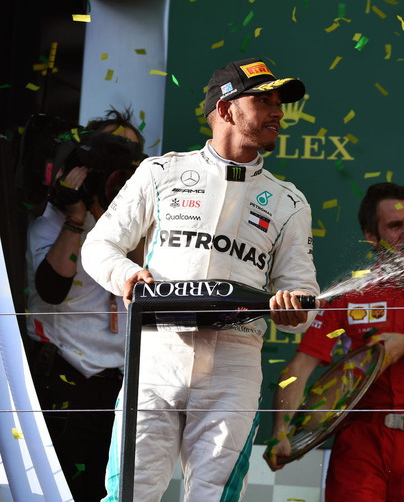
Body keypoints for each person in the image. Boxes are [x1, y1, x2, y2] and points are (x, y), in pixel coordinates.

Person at [81, 58, 320, 502]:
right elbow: (98, 248)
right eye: (263, 100)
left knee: (215, 498)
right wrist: (128, 276)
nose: (278, 113)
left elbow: (303, 299)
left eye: (279, 103)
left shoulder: (290, 202)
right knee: (128, 494)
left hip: (235, 361)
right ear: (226, 109)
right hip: (155, 355)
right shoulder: (160, 172)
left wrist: (295, 309)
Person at [267, 182, 404, 502]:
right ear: (371, 236)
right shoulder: (348, 295)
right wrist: (280, 432)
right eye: (395, 226)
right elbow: (300, 367)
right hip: (359, 438)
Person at [25, 107, 145, 502]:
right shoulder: (52, 220)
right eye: (110, 151)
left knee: (106, 492)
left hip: (118, 389)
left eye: (128, 156)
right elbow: (51, 290)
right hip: (59, 375)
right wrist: (77, 216)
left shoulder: (141, 224)